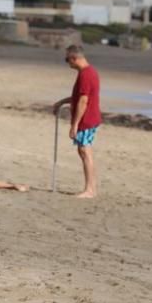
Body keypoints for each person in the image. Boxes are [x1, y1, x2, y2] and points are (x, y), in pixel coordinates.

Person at [52, 45, 101, 198]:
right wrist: (62, 102)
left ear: (74, 58)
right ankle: (91, 188)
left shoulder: (86, 74)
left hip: (87, 119)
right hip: (90, 118)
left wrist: (75, 125)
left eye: (67, 60)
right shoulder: (88, 72)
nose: (68, 64)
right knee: (85, 151)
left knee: (85, 151)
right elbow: (78, 97)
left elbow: (83, 101)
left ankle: (90, 190)